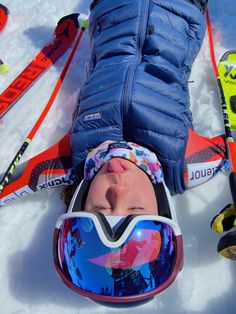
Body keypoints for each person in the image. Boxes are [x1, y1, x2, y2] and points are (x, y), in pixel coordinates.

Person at [1, 0, 232, 304]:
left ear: (80, 203)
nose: (118, 192)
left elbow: (9, 186)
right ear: (162, 207)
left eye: (100, 210)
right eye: (136, 209)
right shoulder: (186, 161)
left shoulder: (72, 157)